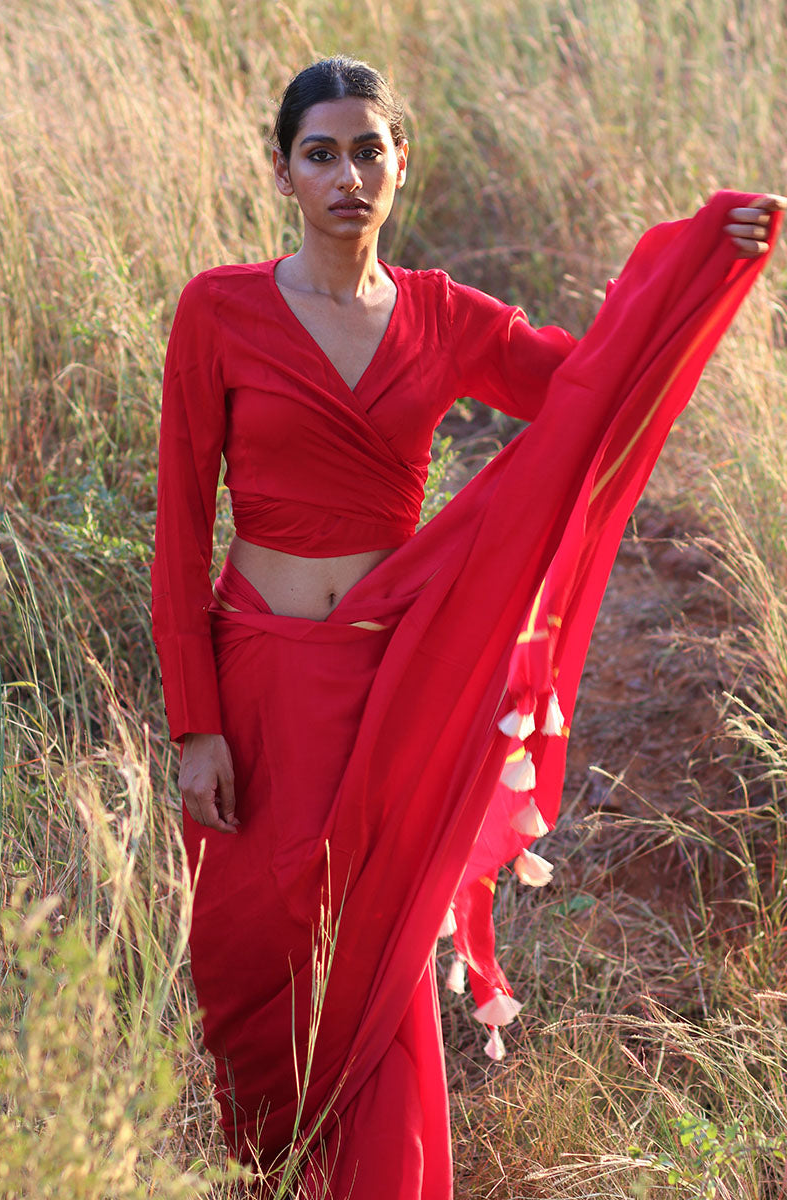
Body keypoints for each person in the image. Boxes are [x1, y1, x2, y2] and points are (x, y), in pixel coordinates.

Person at [151, 55, 783, 1199]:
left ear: (402, 163)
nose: (347, 176)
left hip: (394, 685)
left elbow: (594, 391)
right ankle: (261, 1170)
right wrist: (196, 724)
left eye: (368, 151)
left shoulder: (442, 315)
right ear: (284, 172)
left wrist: (701, 263)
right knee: (253, 949)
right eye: (320, 154)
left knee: (380, 951)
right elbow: (180, 530)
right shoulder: (219, 309)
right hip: (257, 676)